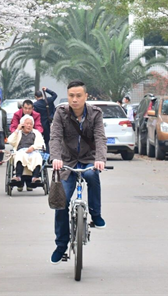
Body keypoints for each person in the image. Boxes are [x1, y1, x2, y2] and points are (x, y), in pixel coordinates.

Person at [50, 80, 107, 264]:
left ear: (85, 96)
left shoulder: (95, 114)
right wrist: (55, 158)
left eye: (78, 96)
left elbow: (100, 137)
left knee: (92, 175)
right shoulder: (60, 113)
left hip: (89, 159)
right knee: (62, 201)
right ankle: (61, 245)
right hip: (66, 162)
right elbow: (55, 137)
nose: (74, 99)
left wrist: (100, 159)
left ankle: (95, 214)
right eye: (71, 96)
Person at [7, 114, 45, 191]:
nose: (29, 125)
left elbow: (42, 145)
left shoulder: (36, 133)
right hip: (21, 151)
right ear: (22, 124)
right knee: (19, 155)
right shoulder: (19, 133)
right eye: (27, 123)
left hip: (33, 151)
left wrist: (33, 147)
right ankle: (18, 176)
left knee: (38, 157)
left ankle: (35, 177)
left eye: (31, 124)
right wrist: (17, 129)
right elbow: (10, 141)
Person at [33, 86, 57, 152]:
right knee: (48, 140)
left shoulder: (35, 105)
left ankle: (42, 152)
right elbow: (55, 95)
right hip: (50, 123)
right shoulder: (49, 100)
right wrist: (47, 90)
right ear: (42, 95)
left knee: (39, 140)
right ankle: (48, 153)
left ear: (36, 97)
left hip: (40, 124)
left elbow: (34, 115)